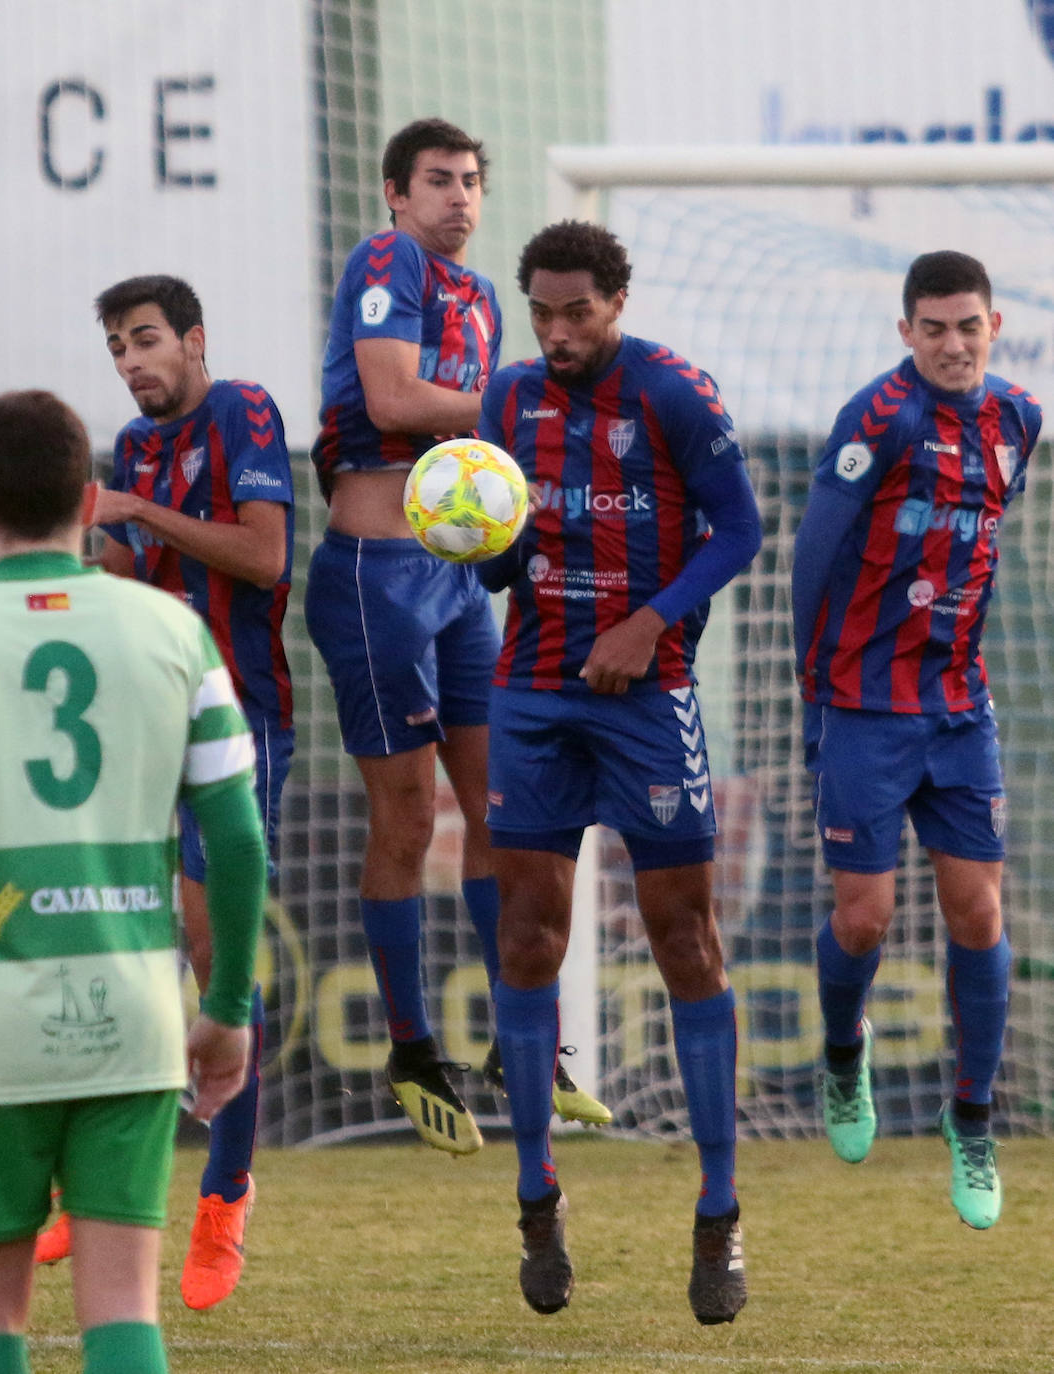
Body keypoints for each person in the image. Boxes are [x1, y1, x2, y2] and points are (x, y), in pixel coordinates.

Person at [0, 388, 267, 1374]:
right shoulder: (173, 631)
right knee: (123, 1311)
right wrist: (227, 1004)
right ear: (95, 498)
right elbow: (236, 839)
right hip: (134, 1018)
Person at [475, 220, 761, 1322]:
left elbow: (738, 531)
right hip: (535, 696)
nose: (556, 332)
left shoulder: (676, 396)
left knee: (684, 938)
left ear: (618, 302)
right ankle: (537, 1195)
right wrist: (477, 542)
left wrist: (649, 623)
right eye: (541, 312)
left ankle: (719, 1213)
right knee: (529, 935)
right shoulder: (506, 402)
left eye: (577, 312)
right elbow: (503, 555)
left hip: (649, 698)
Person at [306, 118, 607, 1154]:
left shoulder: (481, 298)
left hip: (456, 578)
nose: (460, 199)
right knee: (403, 820)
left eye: (473, 182)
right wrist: (522, 402)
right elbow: (391, 397)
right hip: (373, 578)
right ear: (398, 193)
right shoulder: (387, 260)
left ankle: (522, 1038)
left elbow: (472, 434)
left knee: (500, 807)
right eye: (439, 181)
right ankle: (414, 1045)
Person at [31, 274, 293, 1312]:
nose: (133, 363)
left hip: (238, 719)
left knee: (209, 953)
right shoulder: (131, 451)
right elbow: (130, 577)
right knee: (114, 948)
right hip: (139, 723)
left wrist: (143, 511)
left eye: (146, 341)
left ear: (193, 338)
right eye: (117, 351)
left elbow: (266, 560)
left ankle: (226, 1197)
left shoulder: (244, 413)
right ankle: (97, 1187)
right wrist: (57, 551)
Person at [793, 250, 1042, 1232]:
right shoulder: (878, 420)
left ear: (994, 325)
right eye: (932, 327)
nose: (951, 342)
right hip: (861, 706)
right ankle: (843, 1053)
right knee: (865, 919)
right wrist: (815, 695)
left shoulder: (1019, 419)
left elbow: (979, 537)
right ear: (906, 333)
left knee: (978, 915)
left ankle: (970, 1118)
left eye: (967, 325)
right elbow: (815, 557)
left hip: (958, 707)